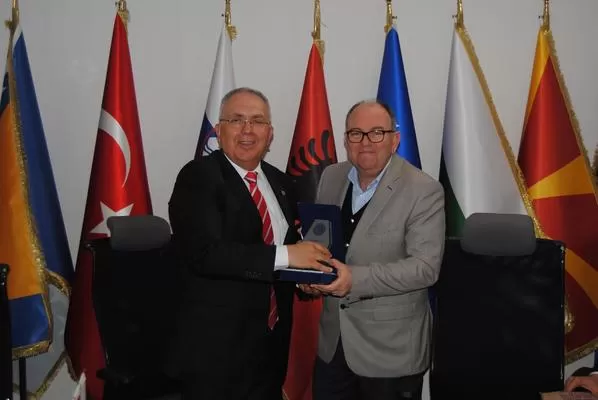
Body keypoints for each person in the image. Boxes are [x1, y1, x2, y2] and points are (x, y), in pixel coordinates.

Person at [168, 87, 332, 400]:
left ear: (270, 134)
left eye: (257, 121)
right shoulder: (198, 177)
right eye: (236, 120)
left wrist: (305, 277)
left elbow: (286, 251)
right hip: (215, 349)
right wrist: (288, 256)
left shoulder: (281, 182)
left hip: (270, 343)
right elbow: (205, 254)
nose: (247, 130)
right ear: (219, 131)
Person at [301, 100, 445, 400]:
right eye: (356, 133)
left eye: (377, 132)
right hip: (333, 347)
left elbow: (424, 268)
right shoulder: (331, 177)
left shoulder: (424, 190)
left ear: (395, 140)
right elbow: (323, 245)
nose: (365, 142)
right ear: (345, 140)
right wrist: (309, 274)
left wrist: (353, 279)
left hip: (391, 352)